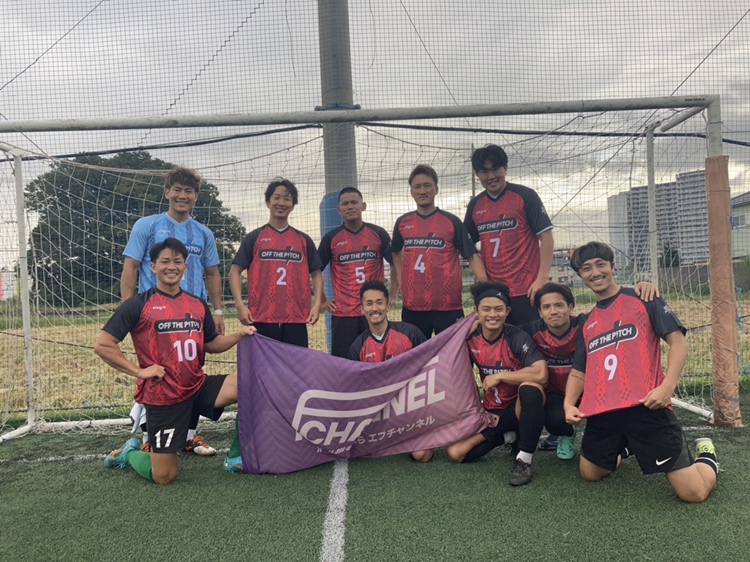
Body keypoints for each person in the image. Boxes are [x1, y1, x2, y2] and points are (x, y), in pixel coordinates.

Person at [564, 241, 719, 503]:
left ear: (613, 267)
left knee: (694, 494)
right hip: (604, 412)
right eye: (587, 268)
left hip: (646, 407)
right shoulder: (588, 322)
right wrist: (569, 404)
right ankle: (629, 446)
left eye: (601, 264)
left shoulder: (644, 298)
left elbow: (678, 343)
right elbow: (579, 372)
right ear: (580, 275)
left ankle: (707, 455)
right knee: (590, 473)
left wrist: (667, 387)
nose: (595, 272)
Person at [96, 238, 257, 485]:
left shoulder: (197, 304)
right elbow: (103, 345)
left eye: (177, 261)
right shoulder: (137, 305)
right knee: (164, 476)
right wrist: (140, 372)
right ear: (153, 267)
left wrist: (239, 335)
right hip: (164, 396)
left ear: (185, 267)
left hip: (197, 386)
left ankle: (235, 457)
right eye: (165, 261)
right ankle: (128, 454)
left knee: (252, 387)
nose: (171, 266)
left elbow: (211, 344)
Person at [121, 165, 224, 456]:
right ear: (167, 192)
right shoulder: (147, 226)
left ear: (196, 197)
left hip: (194, 317)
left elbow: (212, 273)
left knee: (192, 372)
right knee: (156, 374)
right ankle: (149, 436)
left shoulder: (204, 233)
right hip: (155, 317)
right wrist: (128, 311)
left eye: (189, 191)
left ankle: (188, 436)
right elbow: (131, 266)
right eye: (177, 190)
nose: (182, 196)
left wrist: (218, 312)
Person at [528, 281, 660, 457]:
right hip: (559, 394)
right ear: (540, 312)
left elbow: (615, 310)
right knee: (554, 420)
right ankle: (567, 434)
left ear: (570, 307)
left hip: (594, 391)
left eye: (559, 305)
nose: (553, 311)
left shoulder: (587, 322)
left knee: (620, 423)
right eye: (546, 307)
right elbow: (506, 334)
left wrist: (642, 287)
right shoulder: (532, 331)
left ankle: (625, 447)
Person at [446, 282, 548, 486]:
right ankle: (509, 437)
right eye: (486, 309)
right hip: (492, 412)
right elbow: (449, 366)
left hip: (517, 408)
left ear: (507, 311)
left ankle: (524, 460)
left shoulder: (516, 336)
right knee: (456, 453)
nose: (493, 314)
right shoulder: (470, 339)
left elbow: (541, 373)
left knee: (531, 389)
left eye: (498, 309)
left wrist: (501, 376)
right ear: (476, 312)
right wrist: (462, 334)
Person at [392, 164, 487, 339]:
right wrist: (400, 278)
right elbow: (395, 251)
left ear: (436, 189)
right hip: (413, 307)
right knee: (417, 354)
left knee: (451, 353)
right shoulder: (403, 222)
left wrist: (485, 288)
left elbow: (472, 255)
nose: (422, 191)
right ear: (411, 192)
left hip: (448, 306)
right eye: (417, 186)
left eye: (427, 185)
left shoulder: (451, 221)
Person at [229, 178, 324, 347]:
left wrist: (317, 305)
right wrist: (240, 305)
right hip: (261, 317)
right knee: (263, 364)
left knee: (294, 364)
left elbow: (316, 274)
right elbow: (234, 272)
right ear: (268, 202)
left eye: (287, 199)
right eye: (276, 198)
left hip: (296, 318)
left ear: (293, 205)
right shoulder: (254, 237)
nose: (281, 203)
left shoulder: (303, 240)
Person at [465, 144, 553, 325]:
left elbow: (546, 237)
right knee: (500, 341)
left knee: (529, 339)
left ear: (505, 168)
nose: (491, 176)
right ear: (477, 174)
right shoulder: (475, 205)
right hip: (495, 295)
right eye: (484, 172)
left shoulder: (525, 196)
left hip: (527, 290)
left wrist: (542, 279)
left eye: (495, 169)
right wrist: (484, 281)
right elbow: (467, 247)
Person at [348, 280, 432, 462]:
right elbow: (358, 390)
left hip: (412, 409)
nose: (374, 308)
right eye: (369, 304)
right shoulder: (357, 347)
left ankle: (422, 434)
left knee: (422, 455)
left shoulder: (410, 333)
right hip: (380, 414)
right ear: (362, 309)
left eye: (379, 302)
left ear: (387, 306)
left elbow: (432, 365)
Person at [319, 187, 395, 357]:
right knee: (344, 362)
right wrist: (322, 300)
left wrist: (393, 294)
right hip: (343, 313)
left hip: (373, 311)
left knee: (377, 358)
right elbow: (316, 269)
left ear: (363, 206)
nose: (350, 206)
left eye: (354, 202)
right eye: (345, 204)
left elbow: (395, 262)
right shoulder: (331, 238)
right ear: (339, 210)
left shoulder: (378, 233)